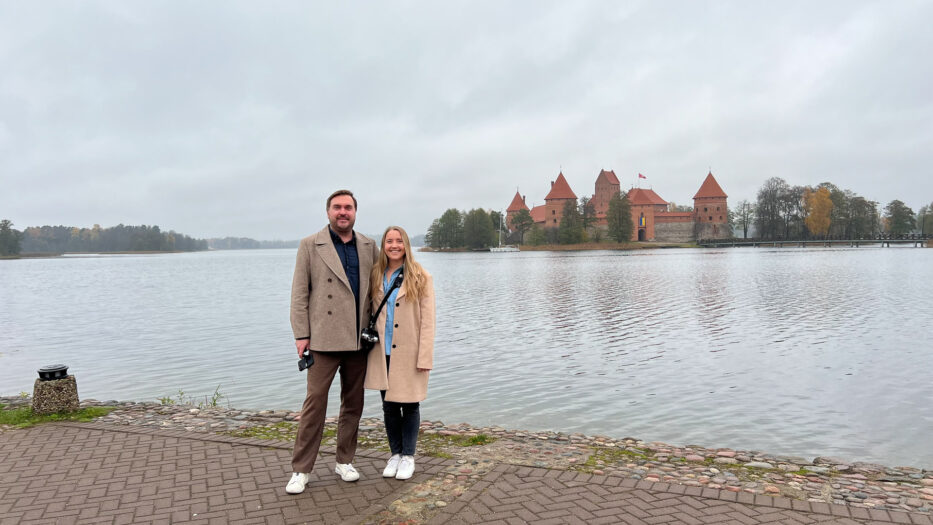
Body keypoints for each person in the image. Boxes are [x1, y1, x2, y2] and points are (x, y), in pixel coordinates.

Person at [285, 189, 380, 495]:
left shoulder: (368, 245)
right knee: (315, 405)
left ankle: (345, 460)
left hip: (357, 341)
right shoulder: (310, 245)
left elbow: (377, 290)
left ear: (355, 212)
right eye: (337, 207)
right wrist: (301, 334)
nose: (343, 212)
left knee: (353, 404)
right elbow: (299, 293)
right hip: (323, 339)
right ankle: (301, 469)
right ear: (328, 212)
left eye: (348, 207)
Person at [364, 226, 436, 480]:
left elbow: (428, 322)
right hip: (381, 351)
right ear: (383, 245)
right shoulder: (375, 275)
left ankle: (408, 456)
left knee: (410, 404)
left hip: (410, 352)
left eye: (399, 241)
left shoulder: (420, 276)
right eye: (389, 241)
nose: (394, 245)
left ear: (406, 244)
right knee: (389, 406)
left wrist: (425, 357)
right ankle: (394, 454)